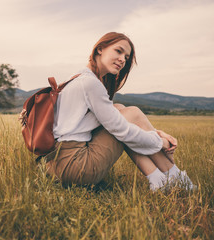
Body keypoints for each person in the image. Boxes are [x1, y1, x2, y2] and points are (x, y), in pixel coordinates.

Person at [45, 32, 195, 191]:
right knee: (132, 114)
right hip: (75, 166)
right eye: (118, 51)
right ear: (100, 49)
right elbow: (123, 130)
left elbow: (116, 122)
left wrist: (155, 133)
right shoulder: (90, 83)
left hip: (57, 165)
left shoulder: (78, 78)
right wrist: (161, 143)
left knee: (120, 110)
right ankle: (177, 178)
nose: (123, 59)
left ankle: (158, 179)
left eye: (127, 57)